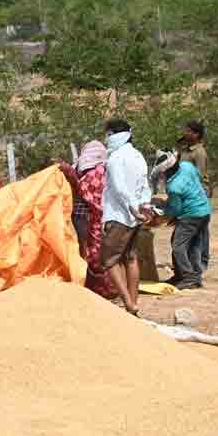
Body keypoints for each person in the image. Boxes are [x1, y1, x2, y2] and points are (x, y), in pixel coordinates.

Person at [99, 119, 153, 316]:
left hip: (119, 215)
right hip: (135, 216)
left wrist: (132, 208)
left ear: (117, 134)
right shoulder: (138, 156)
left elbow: (121, 189)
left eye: (109, 134)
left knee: (108, 260)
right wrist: (144, 207)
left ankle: (129, 304)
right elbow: (144, 185)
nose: (107, 139)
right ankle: (133, 303)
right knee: (130, 258)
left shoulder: (115, 158)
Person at [58, 142, 115, 299]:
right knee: (87, 249)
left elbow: (83, 191)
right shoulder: (99, 170)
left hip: (89, 216)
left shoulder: (97, 172)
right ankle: (94, 285)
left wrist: (69, 173)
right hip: (87, 216)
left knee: (90, 251)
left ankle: (101, 287)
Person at [164, 157, 211, 290]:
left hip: (191, 215)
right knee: (193, 245)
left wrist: (166, 214)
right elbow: (198, 179)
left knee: (178, 245)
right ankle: (188, 276)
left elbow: (176, 209)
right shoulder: (187, 166)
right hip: (204, 210)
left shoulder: (173, 186)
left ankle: (188, 277)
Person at [175, 120, 210, 272]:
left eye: (188, 131)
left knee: (200, 231)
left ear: (196, 134)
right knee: (194, 232)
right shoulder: (185, 150)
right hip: (187, 195)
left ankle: (201, 262)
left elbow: (199, 176)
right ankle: (194, 263)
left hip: (196, 194)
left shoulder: (199, 152)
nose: (185, 133)